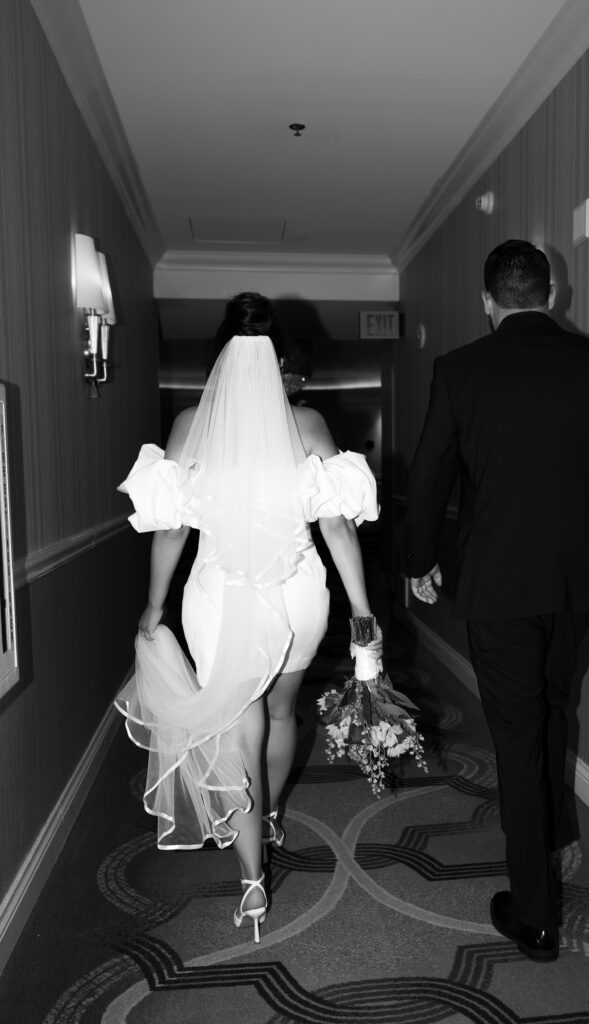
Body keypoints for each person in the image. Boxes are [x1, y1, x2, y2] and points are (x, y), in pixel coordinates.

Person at [404, 240, 589, 962]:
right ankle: (551, 830)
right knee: (553, 704)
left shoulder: (459, 370)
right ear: (550, 292)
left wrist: (417, 562)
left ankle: (535, 913)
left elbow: (428, 478)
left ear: (488, 301)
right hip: (579, 583)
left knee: (517, 733)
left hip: (497, 586)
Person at [115, 292, 378, 943]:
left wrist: (153, 608)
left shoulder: (187, 427)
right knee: (283, 712)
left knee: (239, 731)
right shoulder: (309, 424)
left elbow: (170, 534)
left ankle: (253, 884)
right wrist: (362, 610)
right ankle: (270, 816)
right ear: (279, 362)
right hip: (296, 593)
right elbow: (338, 528)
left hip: (218, 596)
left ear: (219, 362)